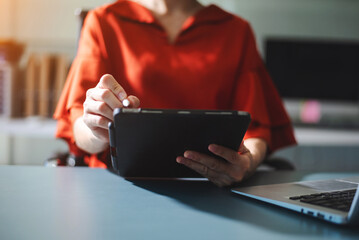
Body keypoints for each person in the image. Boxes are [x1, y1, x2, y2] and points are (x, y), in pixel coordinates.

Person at [54, 0, 296, 187]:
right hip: (117, 186)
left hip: (211, 188)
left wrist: (247, 163)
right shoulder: (103, 22)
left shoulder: (235, 31)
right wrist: (96, 128)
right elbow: (78, 125)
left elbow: (257, 129)